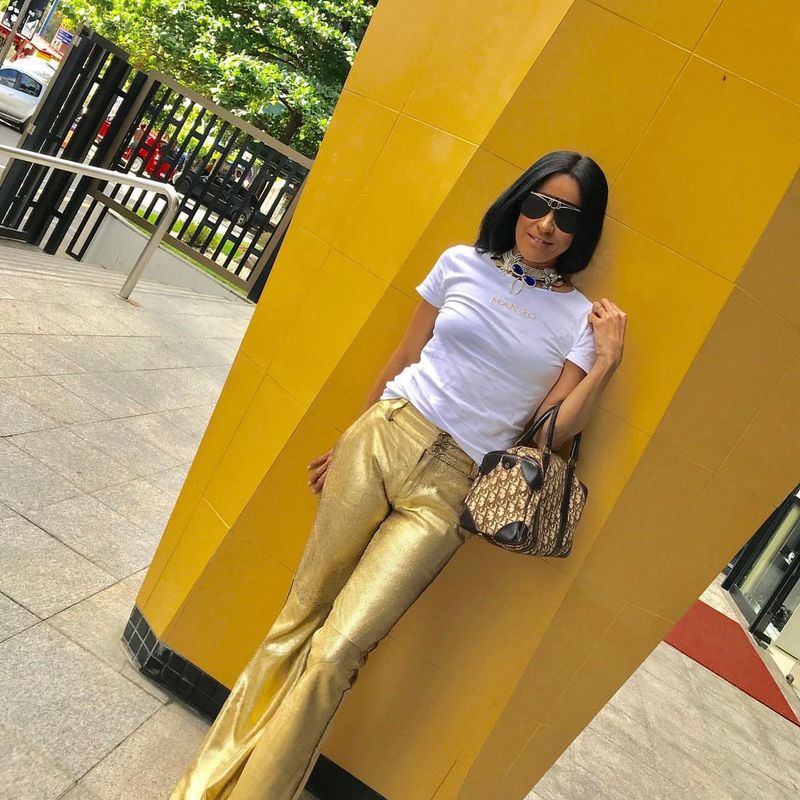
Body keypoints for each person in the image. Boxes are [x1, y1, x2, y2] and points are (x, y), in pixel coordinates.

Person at [170, 150, 627, 800]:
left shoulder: (578, 318)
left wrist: (604, 364)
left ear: (584, 231)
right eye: (539, 204)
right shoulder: (460, 263)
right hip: (384, 437)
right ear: (518, 201)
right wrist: (347, 438)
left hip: (455, 489)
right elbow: (404, 356)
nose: (547, 224)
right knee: (296, 620)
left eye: (568, 216)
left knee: (338, 651)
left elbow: (548, 432)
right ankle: (199, 789)